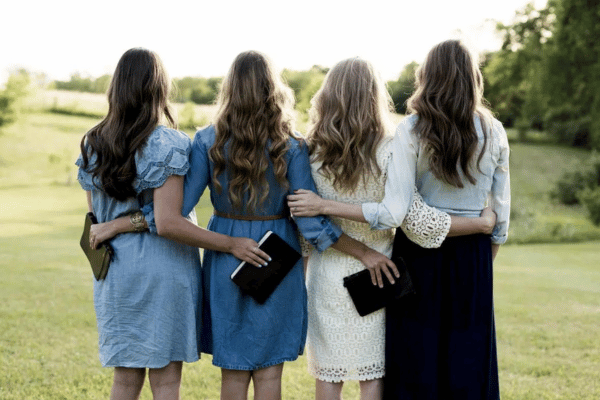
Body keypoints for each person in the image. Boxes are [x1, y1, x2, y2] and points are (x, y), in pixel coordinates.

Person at [93, 50, 399, 400]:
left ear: (229, 89)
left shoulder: (207, 140)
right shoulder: (293, 144)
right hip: (277, 258)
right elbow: (310, 221)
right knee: (270, 374)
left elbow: (176, 210)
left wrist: (123, 223)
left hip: (225, 255)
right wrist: (361, 251)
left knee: (234, 371)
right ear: (274, 90)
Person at [289, 40, 510, 399]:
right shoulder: (398, 144)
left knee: (363, 371)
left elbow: (387, 212)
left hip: (369, 264)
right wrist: (483, 238)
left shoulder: (315, 148)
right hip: (418, 264)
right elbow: (489, 212)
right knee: (397, 372)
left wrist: (323, 208)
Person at [76, 48, 268, 400]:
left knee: (124, 378)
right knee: (165, 382)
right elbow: (168, 223)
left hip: (115, 273)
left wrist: (116, 226)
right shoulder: (168, 143)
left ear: (115, 88)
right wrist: (230, 244)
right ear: (159, 88)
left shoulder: (93, 142)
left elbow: (97, 217)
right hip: (164, 270)